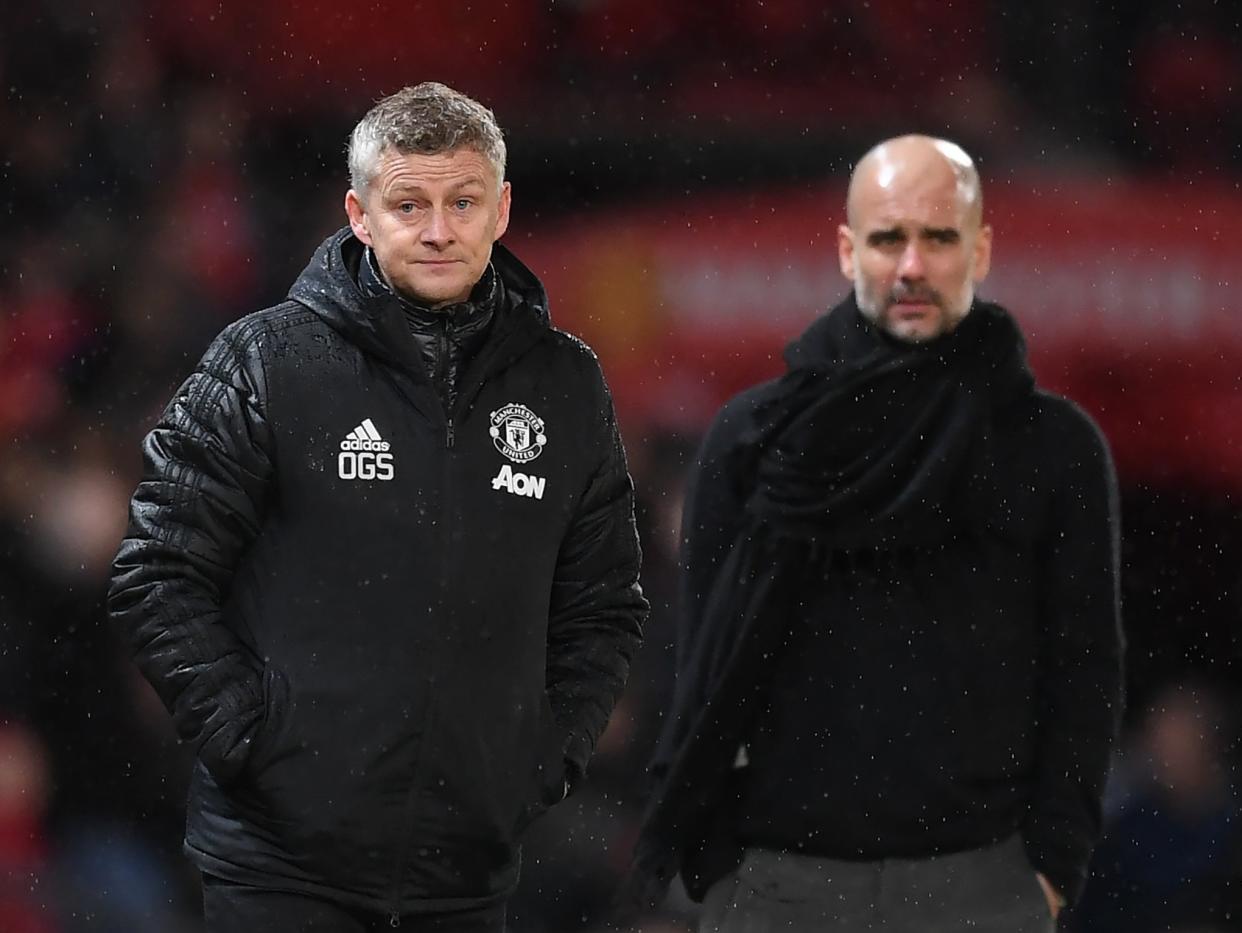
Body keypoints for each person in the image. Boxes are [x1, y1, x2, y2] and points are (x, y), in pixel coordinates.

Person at [108, 82, 648, 931]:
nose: (439, 230)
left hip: (466, 872)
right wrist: (254, 739)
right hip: (279, 868)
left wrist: (540, 758)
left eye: (462, 201)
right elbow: (159, 569)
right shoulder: (266, 362)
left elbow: (604, 605)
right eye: (410, 204)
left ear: (502, 209)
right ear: (359, 215)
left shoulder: (566, 383)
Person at [624, 135, 1123, 932]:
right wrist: (721, 875)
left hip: (981, 885)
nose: (912, 265)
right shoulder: (754, 437)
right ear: (848, 251)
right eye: (890, 237)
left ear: (982, 249)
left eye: (939, 236)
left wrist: (1050, 870)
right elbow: (698, 662)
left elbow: (1084, 673)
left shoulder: (1055, 449)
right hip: (780, 885)